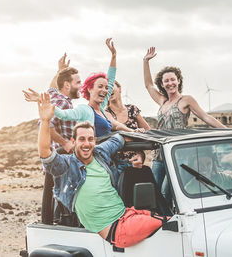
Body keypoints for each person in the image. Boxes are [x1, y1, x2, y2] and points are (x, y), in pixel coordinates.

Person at [36, 93, 163, 248]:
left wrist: (139, 145)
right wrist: (45, 121)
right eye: (81, 139)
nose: (86, 144)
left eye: (90, 139)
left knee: (169, 218)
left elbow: (120, 138)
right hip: (115, 230)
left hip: (127, 214)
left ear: (95, 141)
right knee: (168, 225)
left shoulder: (100, 152)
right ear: (73, 141)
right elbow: (45, 153)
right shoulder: (66, 166)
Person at [142, 46, 227, 196]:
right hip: (159, 154)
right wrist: (145, 61)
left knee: (166, 191)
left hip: (177, 154)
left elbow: (206, 117)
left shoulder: (185, 100)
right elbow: (148, 85)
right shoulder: (162, 101)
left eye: (173, 79)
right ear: (162, 84)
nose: (170, 83)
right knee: (155, 192)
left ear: (178, 81)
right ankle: (164, 218)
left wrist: (227, 132)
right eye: (166, 81)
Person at [53, 38, 137, 137]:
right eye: (100, 86)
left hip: (108, 151)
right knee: (118, 138)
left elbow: (110, 81)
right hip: (95, 149)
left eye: (106, 88)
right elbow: (63, 114)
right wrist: (44, 103)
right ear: (90, 89)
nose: (105, 90)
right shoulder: (84, 110)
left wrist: (114, 56)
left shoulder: (102, 109)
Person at [23, 53, 80, 153]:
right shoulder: (63, 103)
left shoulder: (54, 95)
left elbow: (53, 86)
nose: (81, 86)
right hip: (63, 156)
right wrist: (64, 143)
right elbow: (45, 125)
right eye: (78, 83)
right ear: (67, 85)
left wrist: (61, 70)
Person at [105, 80, 151, 160]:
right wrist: (134, 133)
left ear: (119, 89)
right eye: (105, 88)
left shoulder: (132, 109)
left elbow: (148, 132)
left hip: (135, 160)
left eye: (110, 86)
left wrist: (140, 154)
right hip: (115, 162)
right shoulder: (105, 114)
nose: (108, 89)